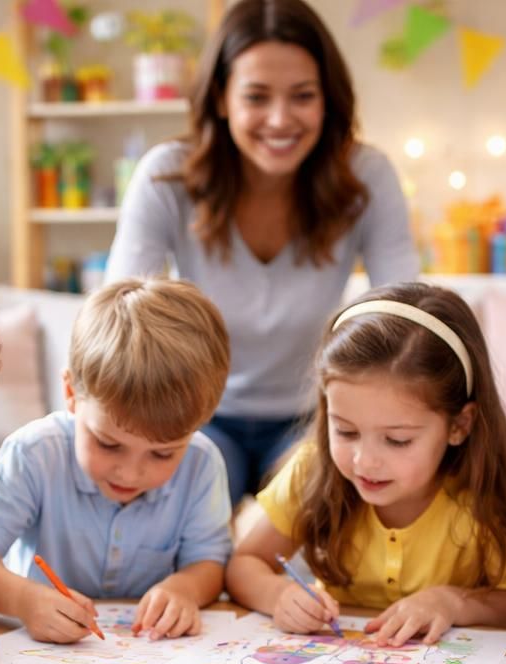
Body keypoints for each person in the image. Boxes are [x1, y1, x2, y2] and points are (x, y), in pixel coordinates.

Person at [106, 0, 419, 506]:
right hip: (200, 416)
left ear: (327, 100)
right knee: (193, 506)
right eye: (256, 96)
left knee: (306, 510)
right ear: (221, 98)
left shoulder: (367, 177)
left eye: (303, 96)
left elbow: (407, 315)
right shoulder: (166, 177)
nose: (280, 119)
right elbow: (117, 318)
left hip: (315, 419)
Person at [226, 282, 506, 643]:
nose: (364, 461)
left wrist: (451, 602)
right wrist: (278, 595)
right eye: (346, 431)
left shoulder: (500, 496)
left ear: (459, 426)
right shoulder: (312, 470)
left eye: (397, 440)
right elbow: (245, 564)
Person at [0, 278, 232, 643]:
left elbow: (209, 563)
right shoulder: (36, 453)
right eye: (109, 444)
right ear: (70, 393)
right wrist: (24, 600)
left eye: (163, 453)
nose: (130, 472)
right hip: (35, 653)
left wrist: (184, 589)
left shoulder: (201, 464)